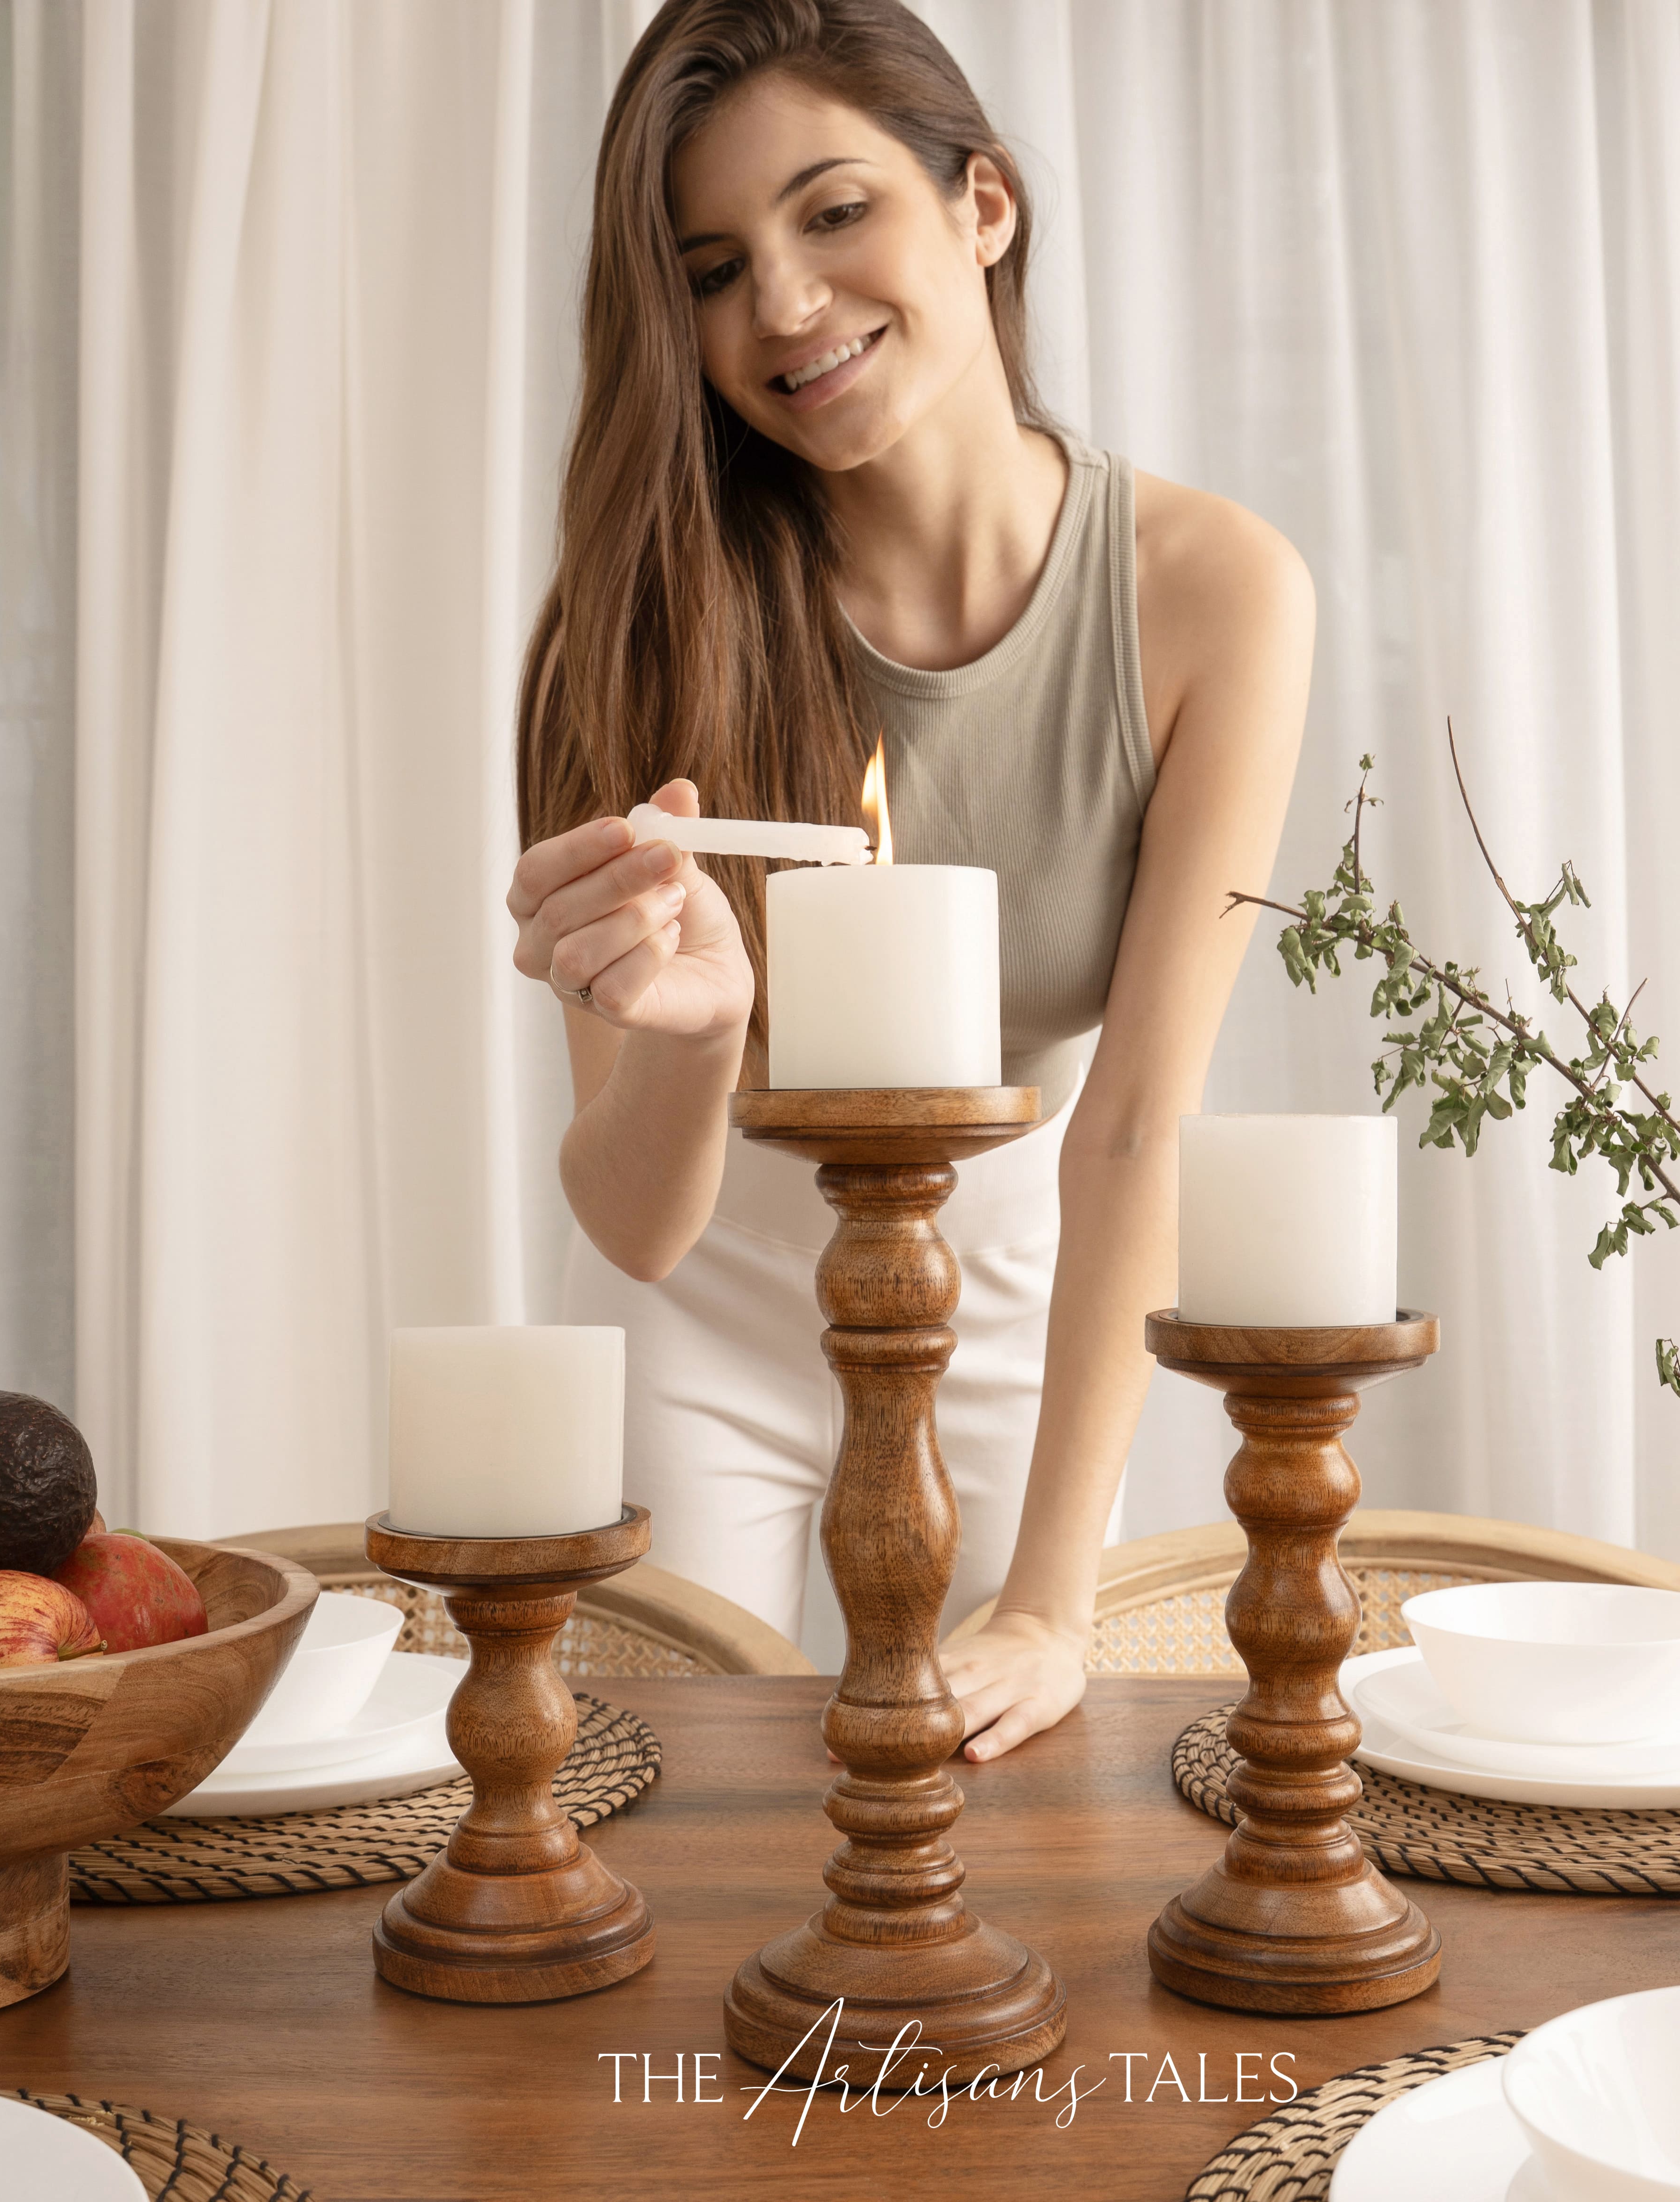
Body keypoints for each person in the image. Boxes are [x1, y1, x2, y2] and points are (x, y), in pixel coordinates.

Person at [507, 0, 1311, 1762]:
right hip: (706, 1307)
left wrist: (1046, 1601)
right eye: (711, 268)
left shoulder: (1210, 592)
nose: (784, 305)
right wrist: (698, 1035)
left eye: (833, 212)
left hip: (1026, 1292)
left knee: (1009, 1828)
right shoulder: (639, 623)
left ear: (986, 206)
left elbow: (1135, 1129)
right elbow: (640, 1226)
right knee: (655, 1812)